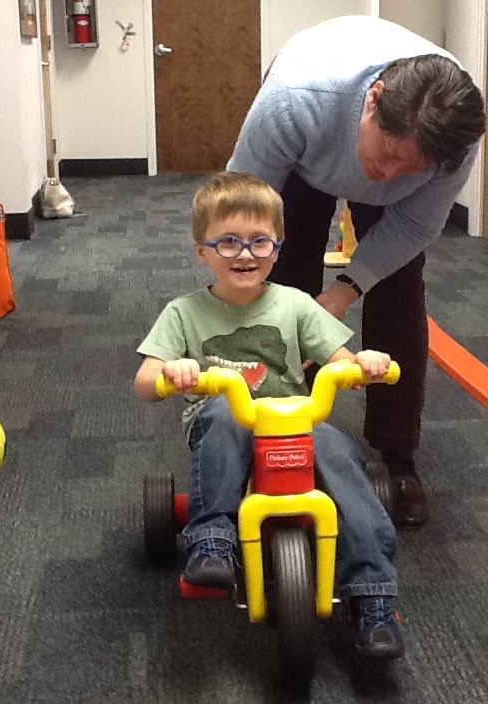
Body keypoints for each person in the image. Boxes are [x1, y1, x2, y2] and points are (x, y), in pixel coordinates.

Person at [228, 15, 487, 527]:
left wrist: (345, 291)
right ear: (374, 101)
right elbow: (241, 207)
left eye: (409, 168)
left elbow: (412, 226)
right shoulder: (294, 100)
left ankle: (398, 457)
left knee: (398, 293)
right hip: (305, 162)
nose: (389, 175)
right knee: (284, 287)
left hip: (386, 169)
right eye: (388, 153)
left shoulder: (451, 139)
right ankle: (278, 434)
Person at [134, 172, 404, 659]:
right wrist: (172, 372)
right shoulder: (183, 313)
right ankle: (212, 541)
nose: (245, 254)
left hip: (298, 426)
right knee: (223, 413)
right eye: (229, 242)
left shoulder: (296, 305)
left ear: (278, 248)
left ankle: (374, 599)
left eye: (260, 242)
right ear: (202, 251)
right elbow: (144, 382)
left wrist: (363, 365)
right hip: (227, 425)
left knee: (344, 460)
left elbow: (340, 363)